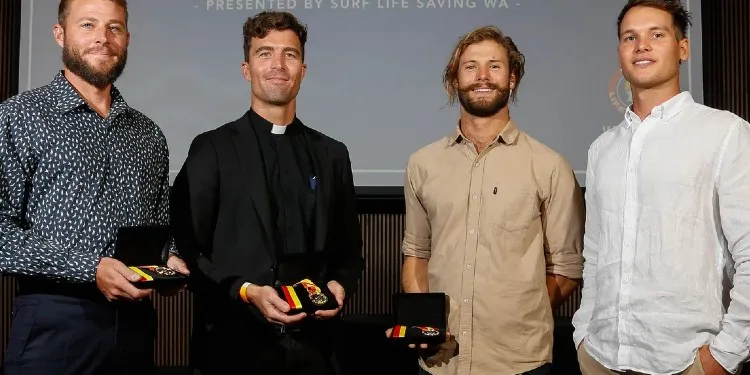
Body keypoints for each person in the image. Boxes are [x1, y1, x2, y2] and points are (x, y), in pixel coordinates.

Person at [169, 10, 365, 375]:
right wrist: (245, 290)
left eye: (289, 54)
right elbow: (189, 250)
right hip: (232, 348)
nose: (278, 64)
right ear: (246, 69)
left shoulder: (331, 154)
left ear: (303, 70)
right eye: (265, 53)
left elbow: (349, 252)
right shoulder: (212, 149)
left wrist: (339, 285)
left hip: (316, 351)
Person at [0, 0, 189, 374]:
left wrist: (169, 260)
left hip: (135, 326)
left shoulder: (148, 134)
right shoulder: (18, 116)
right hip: (54, 323)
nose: (103, 38)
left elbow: (160, 227)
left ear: (127, 39)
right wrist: (90, 268)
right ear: (60, 34)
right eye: (88, 25)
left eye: (114, 28)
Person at [572, 1, 750, 374]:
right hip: (601, 357)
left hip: (686, 361)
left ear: (682, 49)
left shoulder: (725, 133)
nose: (642, 46)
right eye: (630, 37)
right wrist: (583, 335)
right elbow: (596, 253)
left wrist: (725, 355)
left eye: (657, 34)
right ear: (620, 53)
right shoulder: (602, 149)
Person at [396, 25, 585, 375]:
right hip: (441, 363)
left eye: (495, 66)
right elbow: (417, 255)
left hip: (519, 363)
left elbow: (566, 270)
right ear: (454, 80)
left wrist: (519, 317)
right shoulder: (422, 163)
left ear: (512, 79)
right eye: (470, 67)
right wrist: (425, 322)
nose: (482, 76)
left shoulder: (549, 166)